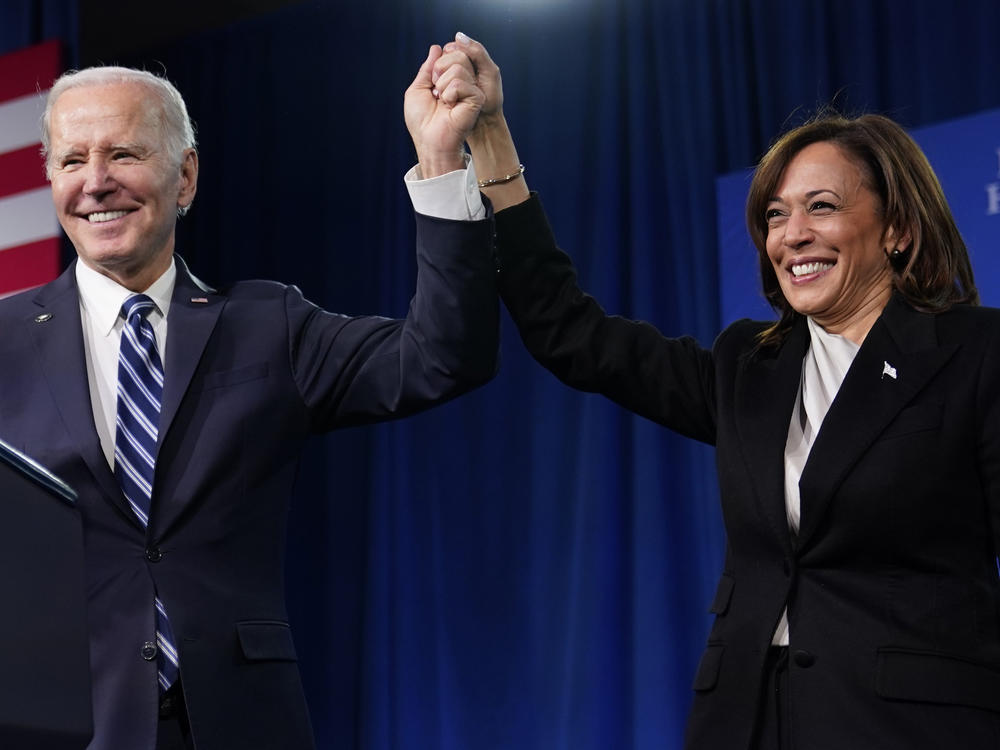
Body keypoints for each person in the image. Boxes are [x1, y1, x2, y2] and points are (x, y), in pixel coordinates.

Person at [436, 34, 1000, 749]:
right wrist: (489, 140)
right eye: (774, 214)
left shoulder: (975, 353)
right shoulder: (747, 366)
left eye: (820, 207)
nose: (792, 234)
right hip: (744, 723)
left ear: (896, 229)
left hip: (906, 725)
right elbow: (568, 334)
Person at [0, 45, 498, 750]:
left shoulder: (270, 325)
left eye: (124, 155)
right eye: (72, 161)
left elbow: (444, 358)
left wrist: (443, 162)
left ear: (186, 175)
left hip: (242, 723)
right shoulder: (4, 342)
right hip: (60, 728)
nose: (97, 182)